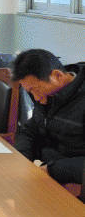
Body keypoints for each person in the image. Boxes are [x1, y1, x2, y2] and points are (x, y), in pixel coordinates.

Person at [12, 49, 85, 186]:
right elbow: (30, 131)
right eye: (30, 92)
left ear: (57, 76)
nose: (36, 98)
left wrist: (52, 170)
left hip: (73, 184)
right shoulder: (47, 96)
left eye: (35, 90)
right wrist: (21, 157)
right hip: (46, 171)